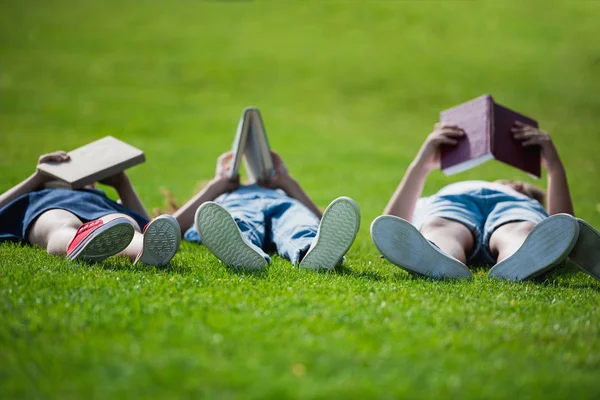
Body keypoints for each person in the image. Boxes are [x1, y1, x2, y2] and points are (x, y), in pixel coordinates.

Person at [370, 122, 600, 281]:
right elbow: (392, 224)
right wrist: (423, 163)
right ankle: (439, 255)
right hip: (453, 204)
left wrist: (554, 167)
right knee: (439, 227)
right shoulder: (444, 197)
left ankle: (519, 257)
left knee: (522, 228)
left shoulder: (520, 197)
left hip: (502, 208)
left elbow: (563, 224)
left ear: (519, 187)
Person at [173, 151, 361, 270]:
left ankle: (310, 250)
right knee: (238, 220)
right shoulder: (225, 192)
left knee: (299, 221)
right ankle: (243, 248)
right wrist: (217, 185)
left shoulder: (281, 190)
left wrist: (287, 182)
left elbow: (321, 220)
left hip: (283, 204)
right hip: (238, 204)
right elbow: (175, 225)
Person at [0, 151, 181, 265]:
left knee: (125, 224)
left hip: (102, 216)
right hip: (53, 207)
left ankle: (145, 248)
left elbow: (145, 223)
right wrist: (38, 178)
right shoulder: (42, 194)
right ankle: (77, 242)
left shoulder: (101, 198)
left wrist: (122, 183)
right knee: (61, 224)